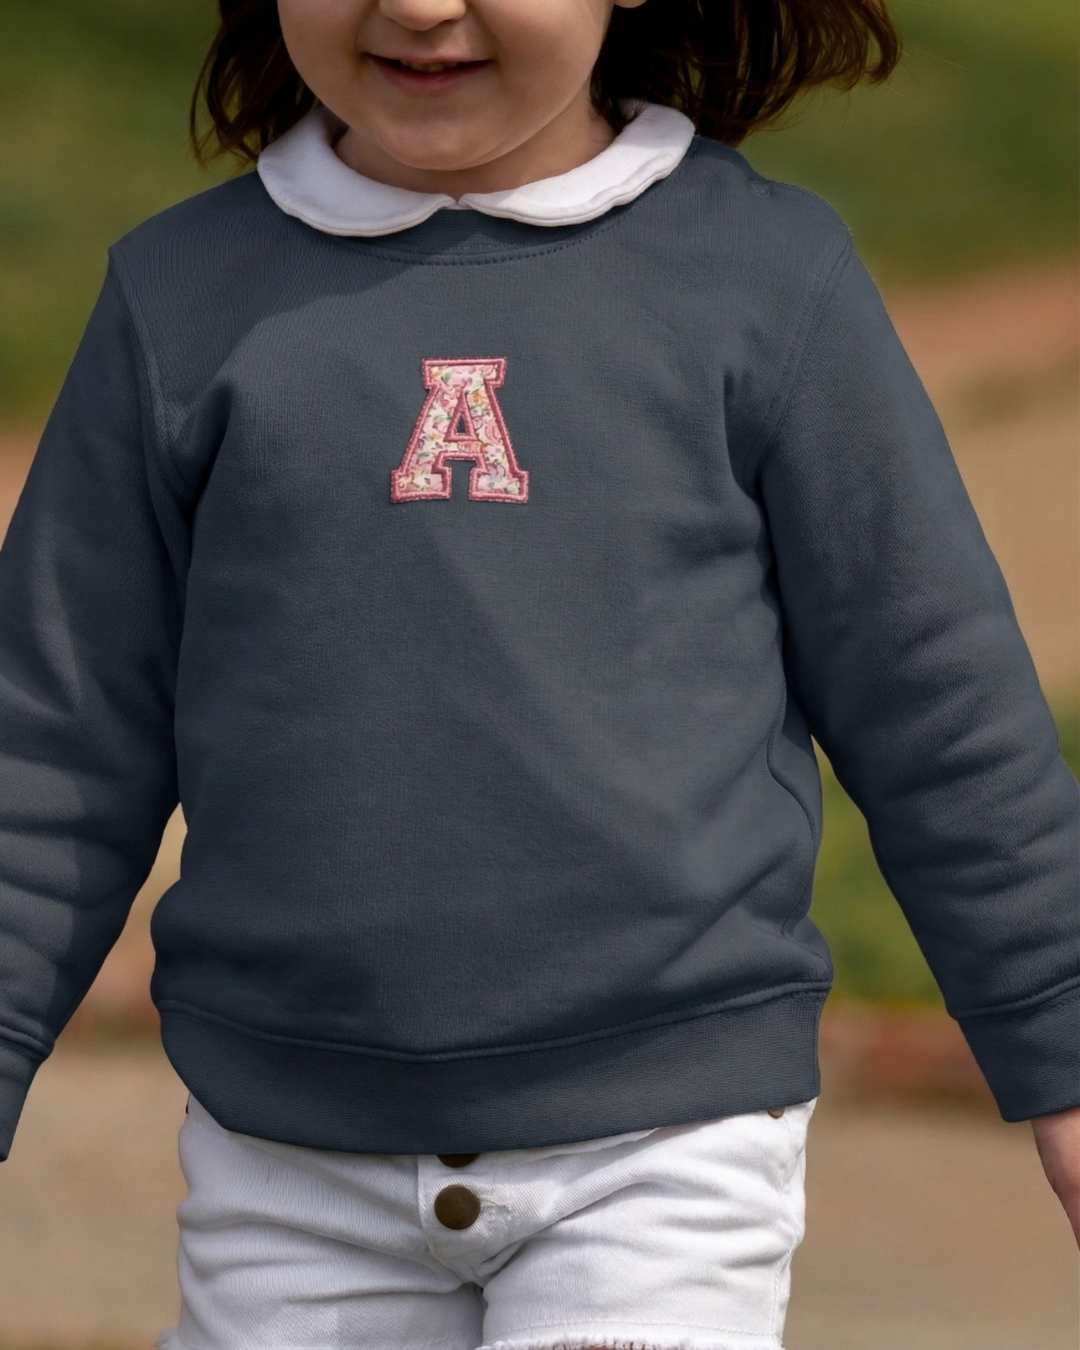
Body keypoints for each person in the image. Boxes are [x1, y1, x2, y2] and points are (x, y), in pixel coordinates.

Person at [0, 0, 1076, 1345]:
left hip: (660, 1151)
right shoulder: (176, 302)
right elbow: (49, 749)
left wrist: (1061, 1040)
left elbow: (938, 705)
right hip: (282, 1163)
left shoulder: (765, 278)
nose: (418, 5)